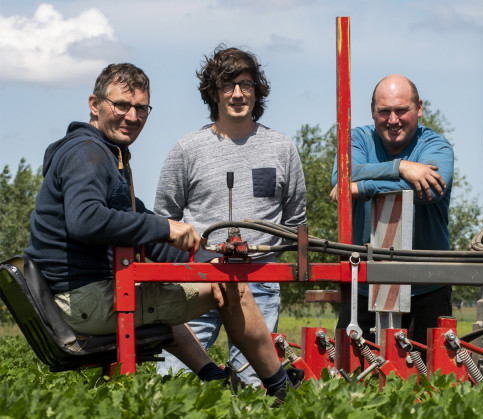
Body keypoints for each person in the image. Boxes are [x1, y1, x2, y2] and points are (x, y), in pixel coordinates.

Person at [24, 63, 300, 401]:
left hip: (74, 296)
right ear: (95, 105)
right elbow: (86, 219)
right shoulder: (88, 153)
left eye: (141, 108)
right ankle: (280, 390)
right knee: (233, 288)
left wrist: (207, 260)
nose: (132, 116)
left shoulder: (106, 156)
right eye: (121, 105)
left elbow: (144, 230)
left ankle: (214, 378)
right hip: (81, 300)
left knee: (170, 294)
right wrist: (166, 227)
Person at [153, 46, 306, 386]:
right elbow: (164, 218)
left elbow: (296, 222)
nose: (238, 94)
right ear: (214, 92)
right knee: (174, 381)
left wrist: (268, 260)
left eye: (246, 84)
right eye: (228, 85)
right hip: (198, 282)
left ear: (256, 90)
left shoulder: (282, 149)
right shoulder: (186, 150)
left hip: (261, 281)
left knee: (255, 385)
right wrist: (187, 268)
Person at [330, 74, 454, 345]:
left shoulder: (436, 146)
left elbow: (429, 190)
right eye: (384, 111)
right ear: (373, 111)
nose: (393, 119)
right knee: (354, 373)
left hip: (427, 286)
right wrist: (400, 167)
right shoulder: (358, 139)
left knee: (430, 378)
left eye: (402, 110)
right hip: (364, 285)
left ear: (419, 108)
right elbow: (341, 177)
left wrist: (362, 188)